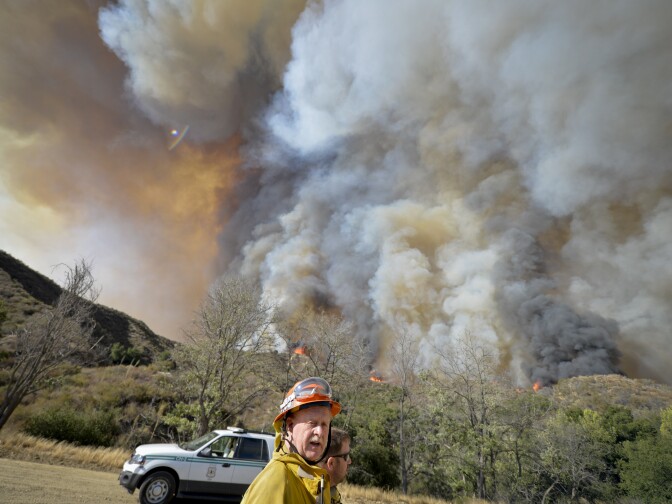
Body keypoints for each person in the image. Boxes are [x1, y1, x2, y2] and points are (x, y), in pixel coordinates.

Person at [241, 377, 342, 504]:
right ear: (289, 426)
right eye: (312, 423)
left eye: (324, 424)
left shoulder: (307, 475)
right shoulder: (276, 480)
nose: (320, 432)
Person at [317, 427, 352, 504]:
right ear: (331, 463)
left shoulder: (330, 491)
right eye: (346, 456)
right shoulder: (313, 498)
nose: (350, 461)